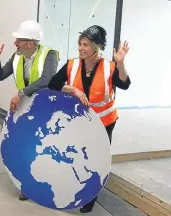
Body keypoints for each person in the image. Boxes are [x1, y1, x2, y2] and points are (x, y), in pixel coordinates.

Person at [48, 25, 131, 213]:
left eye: (86, 44)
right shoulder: (72, 64)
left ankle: (90, 196)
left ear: (96, 47)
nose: (81, 48)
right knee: (76, 156)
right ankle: (74, 186)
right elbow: (53, 83)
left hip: (104, 123)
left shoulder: (109, 67)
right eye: (80, 44)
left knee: (96, 161)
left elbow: (124, 84)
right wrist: (73, 89)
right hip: (79, 123)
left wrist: (120, 63)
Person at [0, 20, 60, 200]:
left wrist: (21, 93)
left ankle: (48, 183)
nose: (15, 43)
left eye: (18, 40)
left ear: (30, 43)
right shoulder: (17, 56)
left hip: (45, 109)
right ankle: (28, 185)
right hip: (25, 109)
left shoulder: (49, 55)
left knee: (44, 146)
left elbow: (47, 79)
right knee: (26, 146)